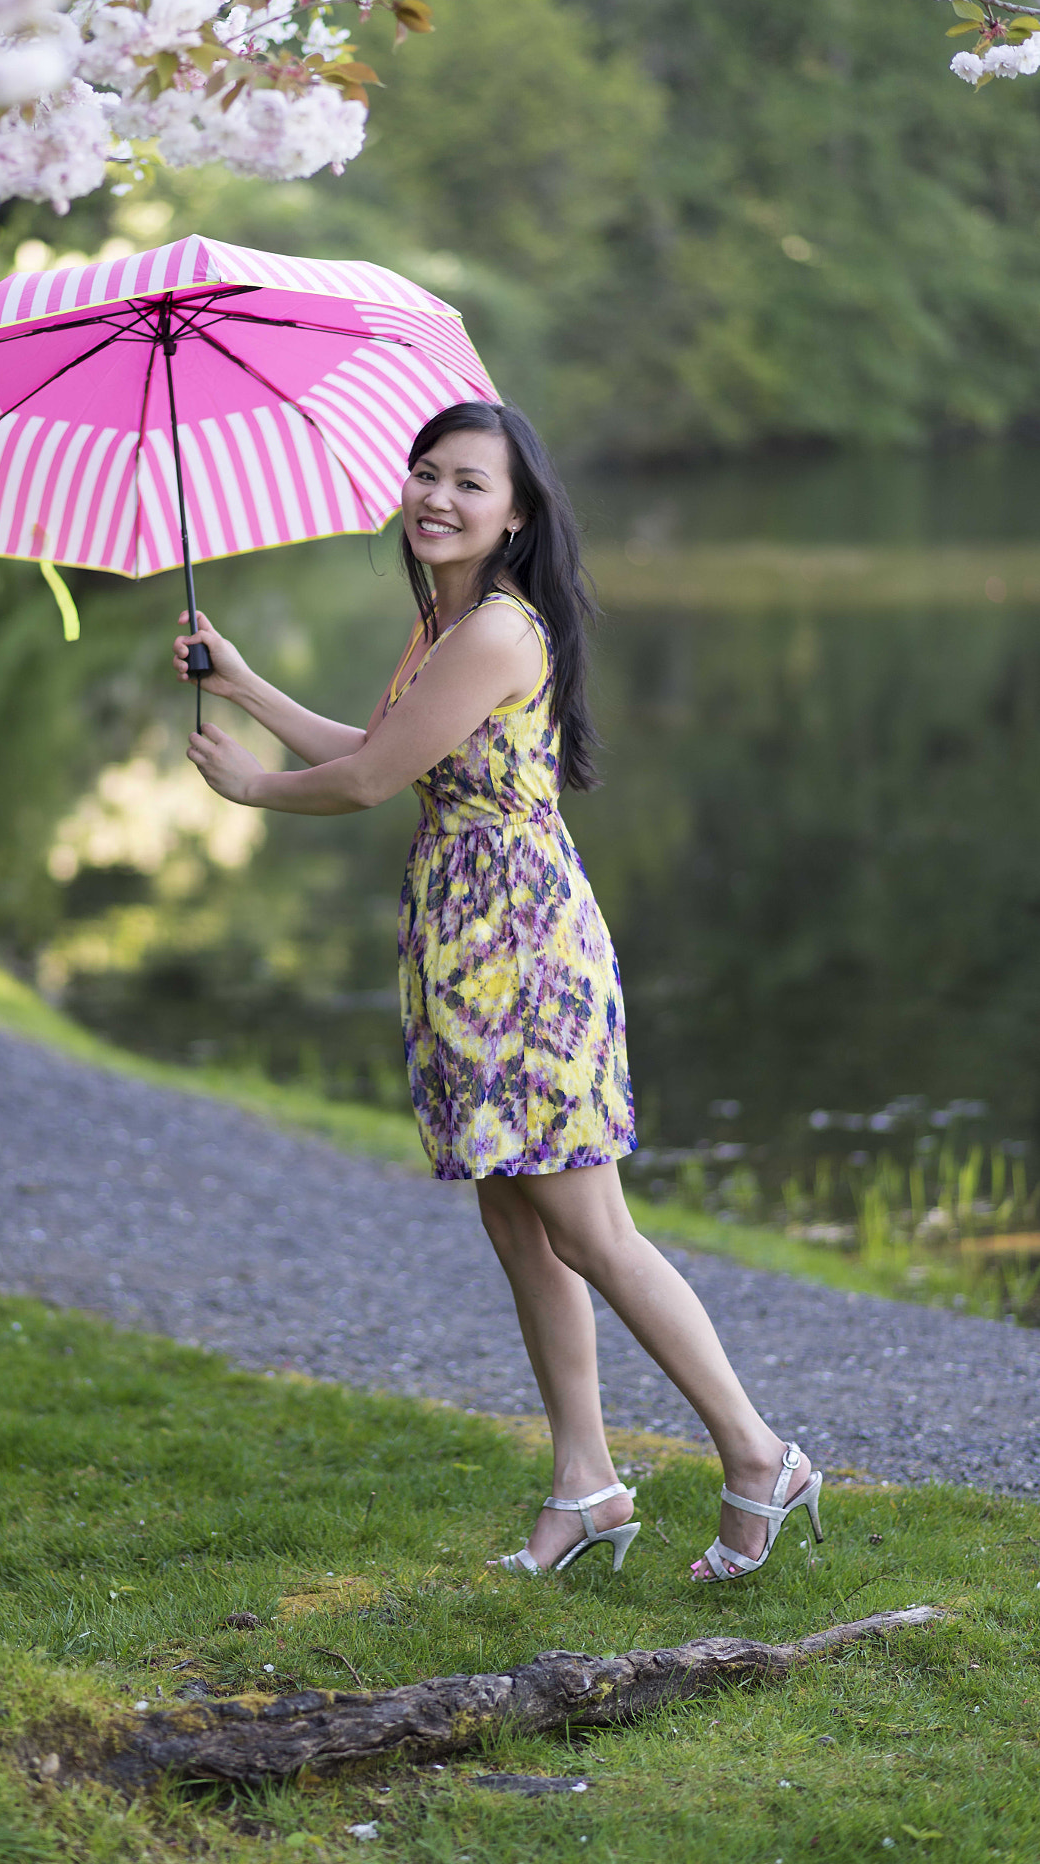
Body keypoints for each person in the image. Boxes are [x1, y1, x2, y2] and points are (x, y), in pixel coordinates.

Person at [172, 400, 822, 1583]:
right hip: (462, 941)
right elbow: (392, 742)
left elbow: (367, 777)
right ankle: (586, 1481)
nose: (436, 497)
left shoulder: (494, 631)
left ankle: (758, 1452)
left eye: (469, 482)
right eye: (425, 473)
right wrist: (250, 683)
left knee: (590, 1227)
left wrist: (257, 791)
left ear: (515, 512)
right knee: (515, 1216)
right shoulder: (443, 626)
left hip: (522, 947)